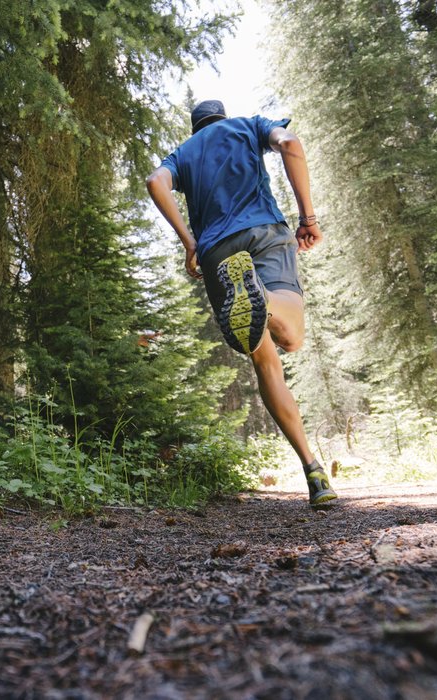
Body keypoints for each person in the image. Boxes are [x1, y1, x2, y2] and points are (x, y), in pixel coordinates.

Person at [146, 99, 337, 508]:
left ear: (196, 126)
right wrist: (308, 219)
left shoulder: (184, 154)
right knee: (293, 339)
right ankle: (263, 298)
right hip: (264, 234)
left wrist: (189, 242)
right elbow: (289, 143)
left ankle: (312, 469)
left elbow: (155, 182)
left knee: (265, 362)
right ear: (222, 117)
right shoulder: (249, 126)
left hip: (216, 253)